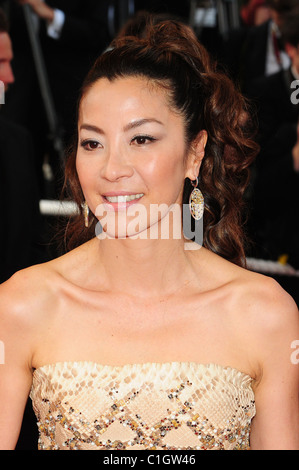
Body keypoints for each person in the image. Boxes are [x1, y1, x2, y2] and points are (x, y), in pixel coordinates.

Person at [0, 19, 298, 451]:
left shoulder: (264, 314)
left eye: (141, 139)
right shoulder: (23, 304)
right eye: (92, 143)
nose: (112, 169)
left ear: (195, 153)